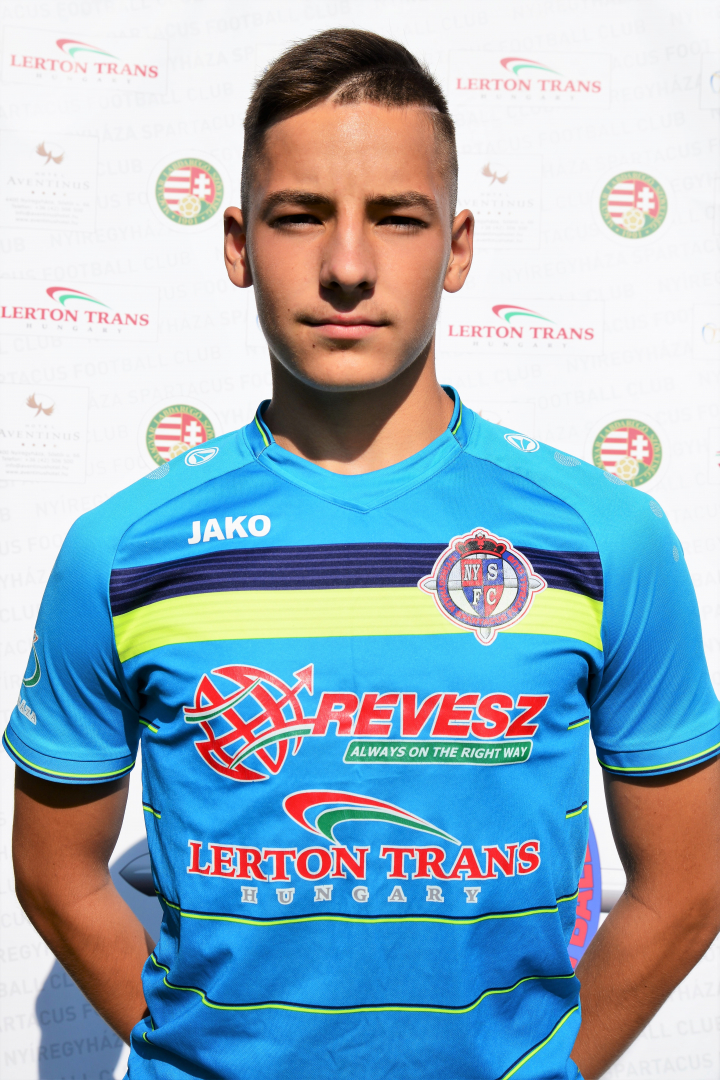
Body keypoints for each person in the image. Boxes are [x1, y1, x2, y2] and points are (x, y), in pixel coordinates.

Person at [7, 28, 720, 1080]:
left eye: (397, 217)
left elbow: (688, 885)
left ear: (459, 248)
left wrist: (544, 1073)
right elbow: (54, 873)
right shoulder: (121, 551)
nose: (347, 267)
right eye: (301, 216)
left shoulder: (605, 538)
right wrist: (197, 1058)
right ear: (238, 243)